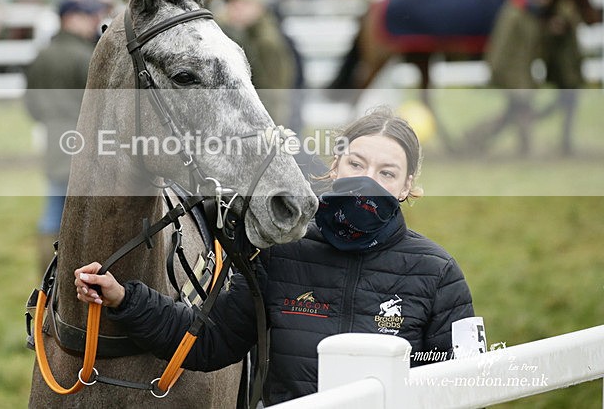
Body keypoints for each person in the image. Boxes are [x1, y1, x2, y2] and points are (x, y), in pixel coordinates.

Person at [74, 106, 475, 406]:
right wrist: (124, 299)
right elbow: (210, 340)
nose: (366, 181)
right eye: (356, 163)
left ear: (407, 187)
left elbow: (460, 388)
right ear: (334, 166)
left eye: (386, 173)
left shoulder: (437, 274)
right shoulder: (280, 251)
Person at [24, 0, 104, 270]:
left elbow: (31, 106)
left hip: (53, 143)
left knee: (53, 213)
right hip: (86, 144)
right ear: (70, 18)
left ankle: (46, 277)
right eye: (88, 16)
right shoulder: (86, 57)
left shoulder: (40, 57)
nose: (94, 22)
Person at [217, 0, 298, 127]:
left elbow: (273, 92)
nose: (236, 8)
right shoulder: (243, 34)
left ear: (259, 7)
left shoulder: (266, 40)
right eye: (233, 3)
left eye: (244, 3)